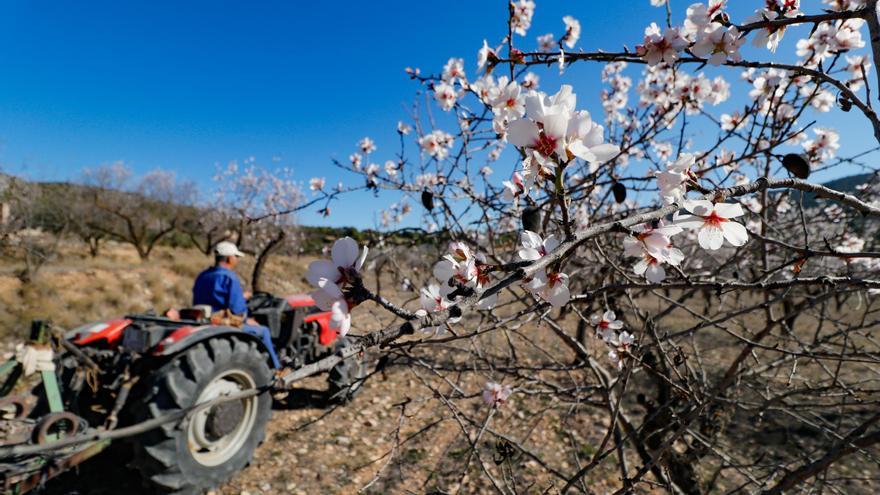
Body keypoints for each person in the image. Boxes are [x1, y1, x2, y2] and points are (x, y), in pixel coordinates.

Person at [192, 241, 279, 368]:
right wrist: (247, 319)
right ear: (229, 258)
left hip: (205, 318)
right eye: (236, 257)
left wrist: (241, 296)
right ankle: (275, 368)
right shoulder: (229, 277)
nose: (236, 260)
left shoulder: (203, 275)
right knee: (264, 331)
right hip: (222, 321)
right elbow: (237, 309)